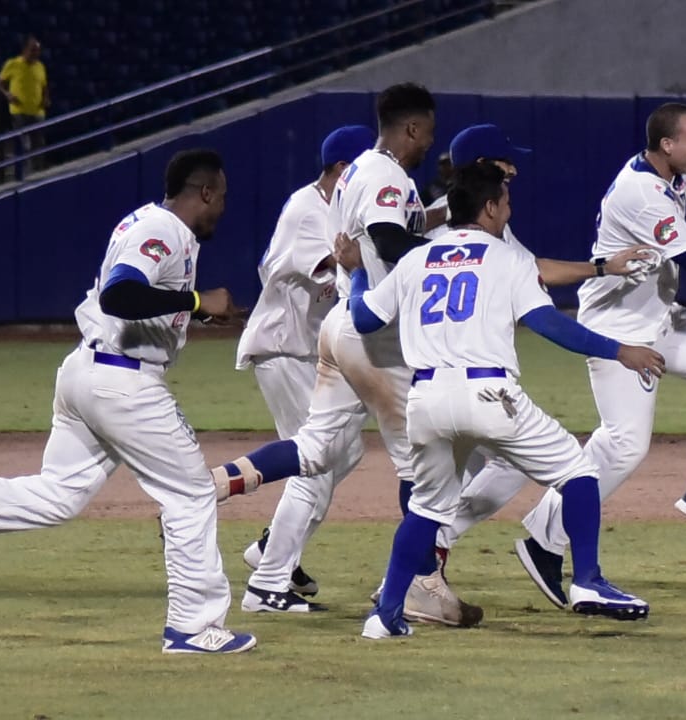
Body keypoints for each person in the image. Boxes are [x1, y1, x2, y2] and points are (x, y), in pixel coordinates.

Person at [216, 104, 654, 622]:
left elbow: (403, 258)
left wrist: (361, 272)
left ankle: (225, 497)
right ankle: (422, 585)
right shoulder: (396, 185)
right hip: (392, 352)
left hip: (350, 322)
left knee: (328, 451)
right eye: (505, 168)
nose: (513, 173)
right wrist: (618, 345)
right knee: (429, 484)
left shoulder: (424, 210)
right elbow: (396, 241)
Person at [440, 101, 686, 609]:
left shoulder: (672, 172)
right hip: (618, 327)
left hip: (658, 318)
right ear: (668, 144)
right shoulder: (642, 191)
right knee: (623, 445)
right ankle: (541, 540)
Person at [0, 150, 256, 654]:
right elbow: (120, 295)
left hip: (87, 371)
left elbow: (136, 300)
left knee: (59, 493)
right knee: (191, 493)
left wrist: (200, 313)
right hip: (122, 383)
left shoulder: (153, 224)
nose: (223, 208)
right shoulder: (163, 228)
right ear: (206, 191)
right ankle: (193, 627)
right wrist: (195, 301)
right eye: (223, 197)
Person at [341, 162, 659, 638]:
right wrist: (621, 351)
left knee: (426, 508)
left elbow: (364, 320)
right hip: (489, 392)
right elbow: (550, 324)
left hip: (425, 399)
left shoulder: (417, 258)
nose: (508, 209)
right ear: (489, 208)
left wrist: (358, 274)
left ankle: (384, 615)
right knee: (579, 473)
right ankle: (588, 581)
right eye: (505, 202)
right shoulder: (507, 259)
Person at [233, 125, 376, 610]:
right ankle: (268, 583)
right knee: (313, 462)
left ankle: (271, 546)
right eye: (359, 169)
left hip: (307, 351)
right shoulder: (309, 209)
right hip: (284, 347)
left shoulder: (339, 209)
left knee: (348, 449)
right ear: (341, 170)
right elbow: (344, 274)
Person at [0, 35, 49, 172]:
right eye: (33, 50)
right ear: (25, 50)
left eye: (38, 50)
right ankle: (22, 173)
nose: (36, 53)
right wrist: (7, 94)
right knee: (23, 145)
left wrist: (45, 98)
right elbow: (0, 83)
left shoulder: (40, 66)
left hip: (37, 111)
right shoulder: (13, 64)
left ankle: (38, 171)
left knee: (38, 144)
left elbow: (44, 86)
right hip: (19, 111)